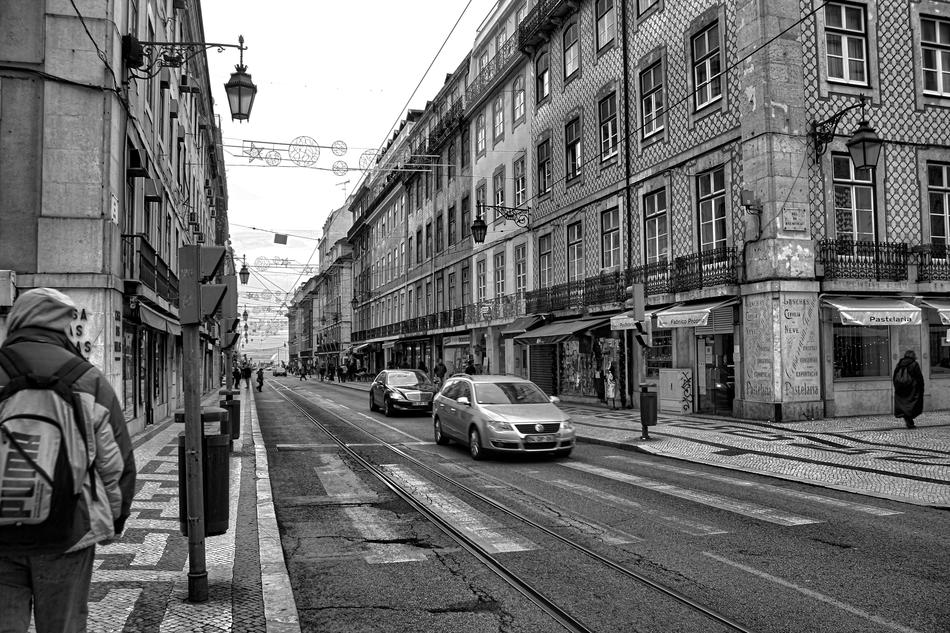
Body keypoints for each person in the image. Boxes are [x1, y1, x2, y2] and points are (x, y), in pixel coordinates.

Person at [0, 288, 136, 632]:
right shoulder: (87, 378)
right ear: (64, 325)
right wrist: (114, 519)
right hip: (68, 528)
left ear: (16, 320)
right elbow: (115, 463)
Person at [893, 349, 925, 428]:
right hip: (912, 388)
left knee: (904, 404)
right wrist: (921, 387)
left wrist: (897, 385)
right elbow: (919, 377)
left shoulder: (899, 363)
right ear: (913, 356)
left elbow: (894, 375)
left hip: (901, 388)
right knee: (912, 404)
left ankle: (908, 420)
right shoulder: (914, 364)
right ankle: (909, 421)